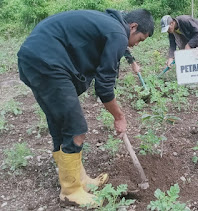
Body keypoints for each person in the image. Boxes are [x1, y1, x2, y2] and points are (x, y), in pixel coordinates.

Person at [17, 9, 154, 207]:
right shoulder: (117, 33)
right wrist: (119, 116)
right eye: (139, 39)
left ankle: (79, 180)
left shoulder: (109, 25)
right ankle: (70, 191)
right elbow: (104, 87)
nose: (134, 45)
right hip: (47, 62)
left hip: (35, 58)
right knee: (76, 128)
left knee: (60, 122)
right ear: (133, 27)